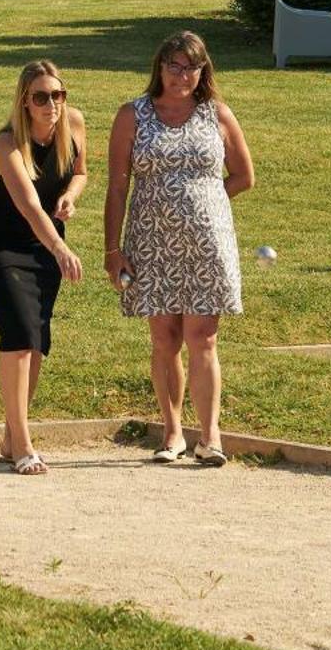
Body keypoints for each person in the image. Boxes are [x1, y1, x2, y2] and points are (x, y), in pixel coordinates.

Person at [104, 31, 253, 467]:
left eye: (192, 66)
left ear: (204, 70)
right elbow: (117, 187)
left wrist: (206, 202)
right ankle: (172, 433)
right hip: (150, 242)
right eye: (174, 65)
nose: (182, 75)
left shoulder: (217, 114)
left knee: (202, 336)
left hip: (207, 244)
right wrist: (112, 250)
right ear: (160, 67)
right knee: (164, 339)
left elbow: (244, 176)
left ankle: (211, 437)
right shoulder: (133, 115)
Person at [0, 61, 86, 477]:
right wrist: (60, 247)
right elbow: (30, 205)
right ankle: (23, 445)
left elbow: (82, 172)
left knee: (35, 338)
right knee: (17, 330)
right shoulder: (7, 144)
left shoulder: (73, 124)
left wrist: (71, 194)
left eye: (57, 94)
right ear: (24, 102)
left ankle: (9, 436)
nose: (51, 103)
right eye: (41, 97)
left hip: (43, 243)